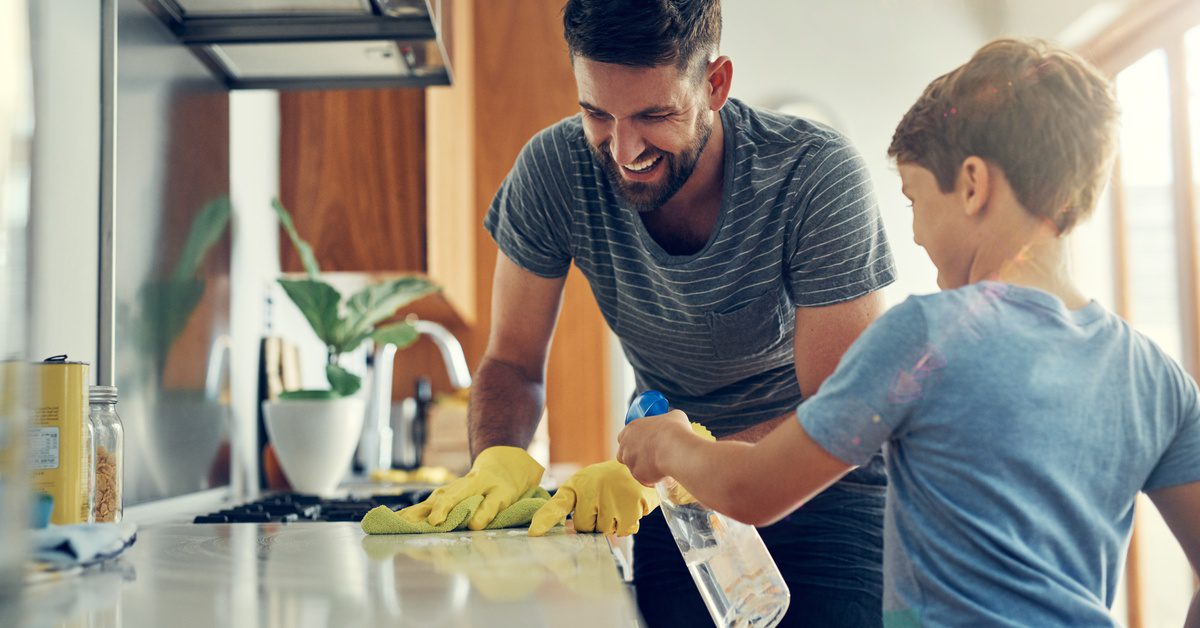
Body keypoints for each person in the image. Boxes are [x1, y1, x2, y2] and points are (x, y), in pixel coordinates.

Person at [617, 38, 1200, 627]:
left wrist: (668, 441)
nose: (916, 234)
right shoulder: (1156, 378)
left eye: (915, 198)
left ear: (973, 184)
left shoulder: (926, 339)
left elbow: (756, 493)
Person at [397, 0, 896, 624]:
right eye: (597, 113)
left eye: (654, 115)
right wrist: (496, 457)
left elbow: (839, 417)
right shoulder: (554, 172)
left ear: (714, 84)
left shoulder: (814, 176)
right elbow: (511, 362)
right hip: (673, 506)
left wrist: (675, 461)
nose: (624, 148)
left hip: (823, 501)